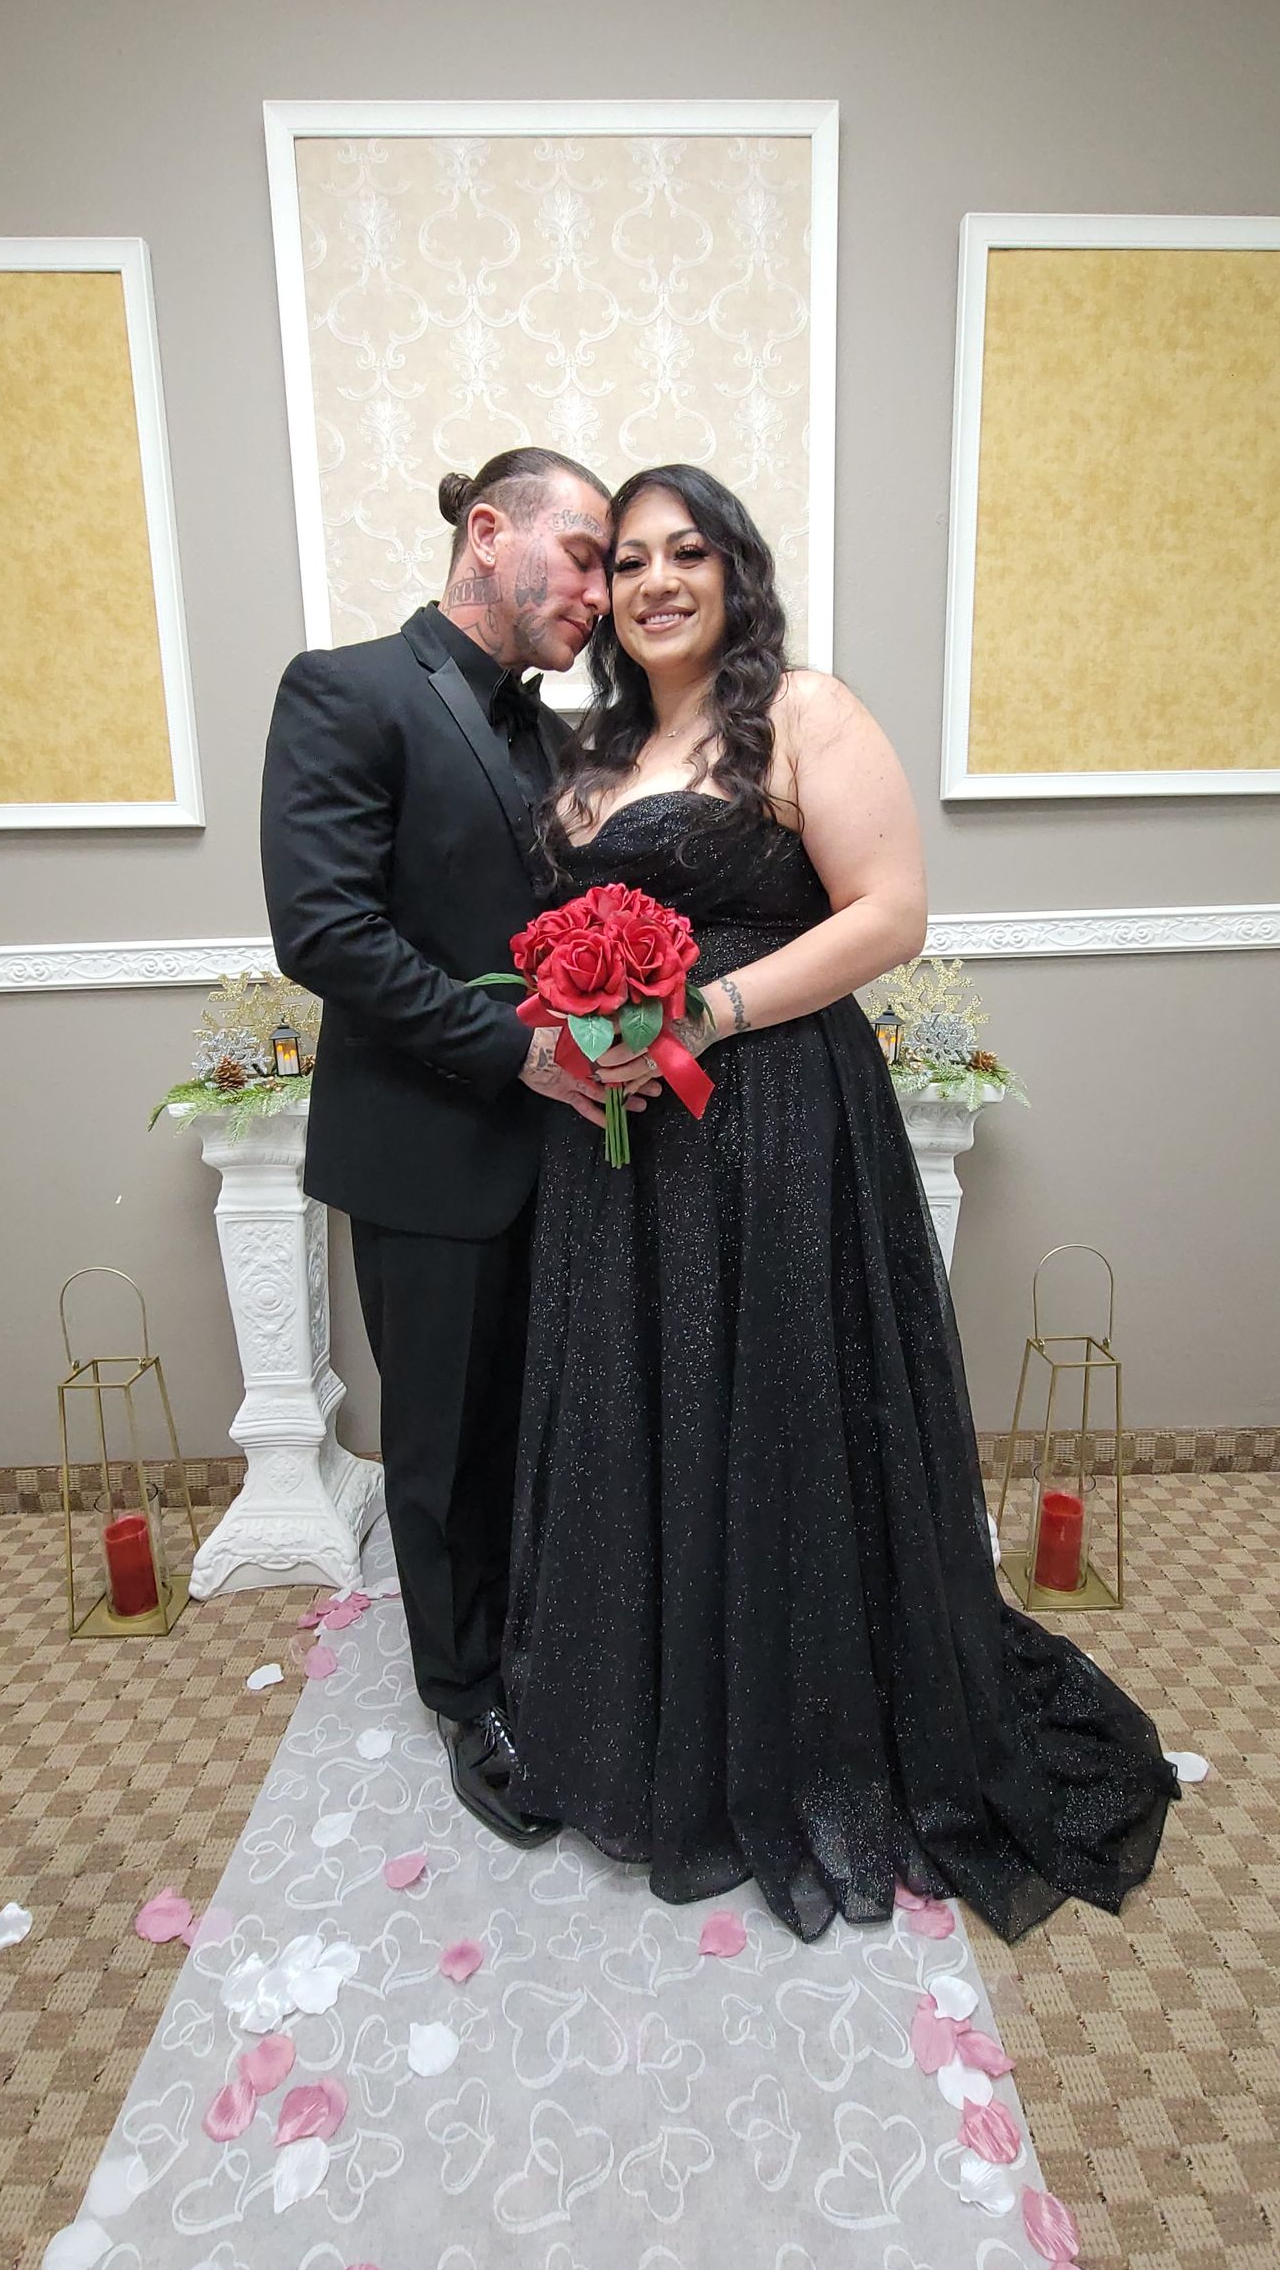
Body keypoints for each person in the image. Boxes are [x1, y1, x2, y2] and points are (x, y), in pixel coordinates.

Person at [501, 464, 1178, 1940]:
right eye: (630, 559)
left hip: (776, 1121)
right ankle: (660, 1713)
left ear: (734, 573)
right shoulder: (592, 750)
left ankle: (808, 1726)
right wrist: (576, 1041)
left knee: (782, 1402)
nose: (657, 581)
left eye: (689, 552)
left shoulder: (803, 713)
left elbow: (892, 912)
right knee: (648, 1400)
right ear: (604, 594)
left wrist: (709, 1013)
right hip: (622, 1145)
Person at [262, 446, 635, 1849]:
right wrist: (516, 1053)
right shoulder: (345, 691)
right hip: (428, 1155)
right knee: (445, 1445)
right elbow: (326, 933)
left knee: (548, 1427)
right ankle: (468, 1698)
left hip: (570, 1159)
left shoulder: (558, 740)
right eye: (585, 554)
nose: (600, 591)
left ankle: (543, 1647)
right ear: (489, 532)